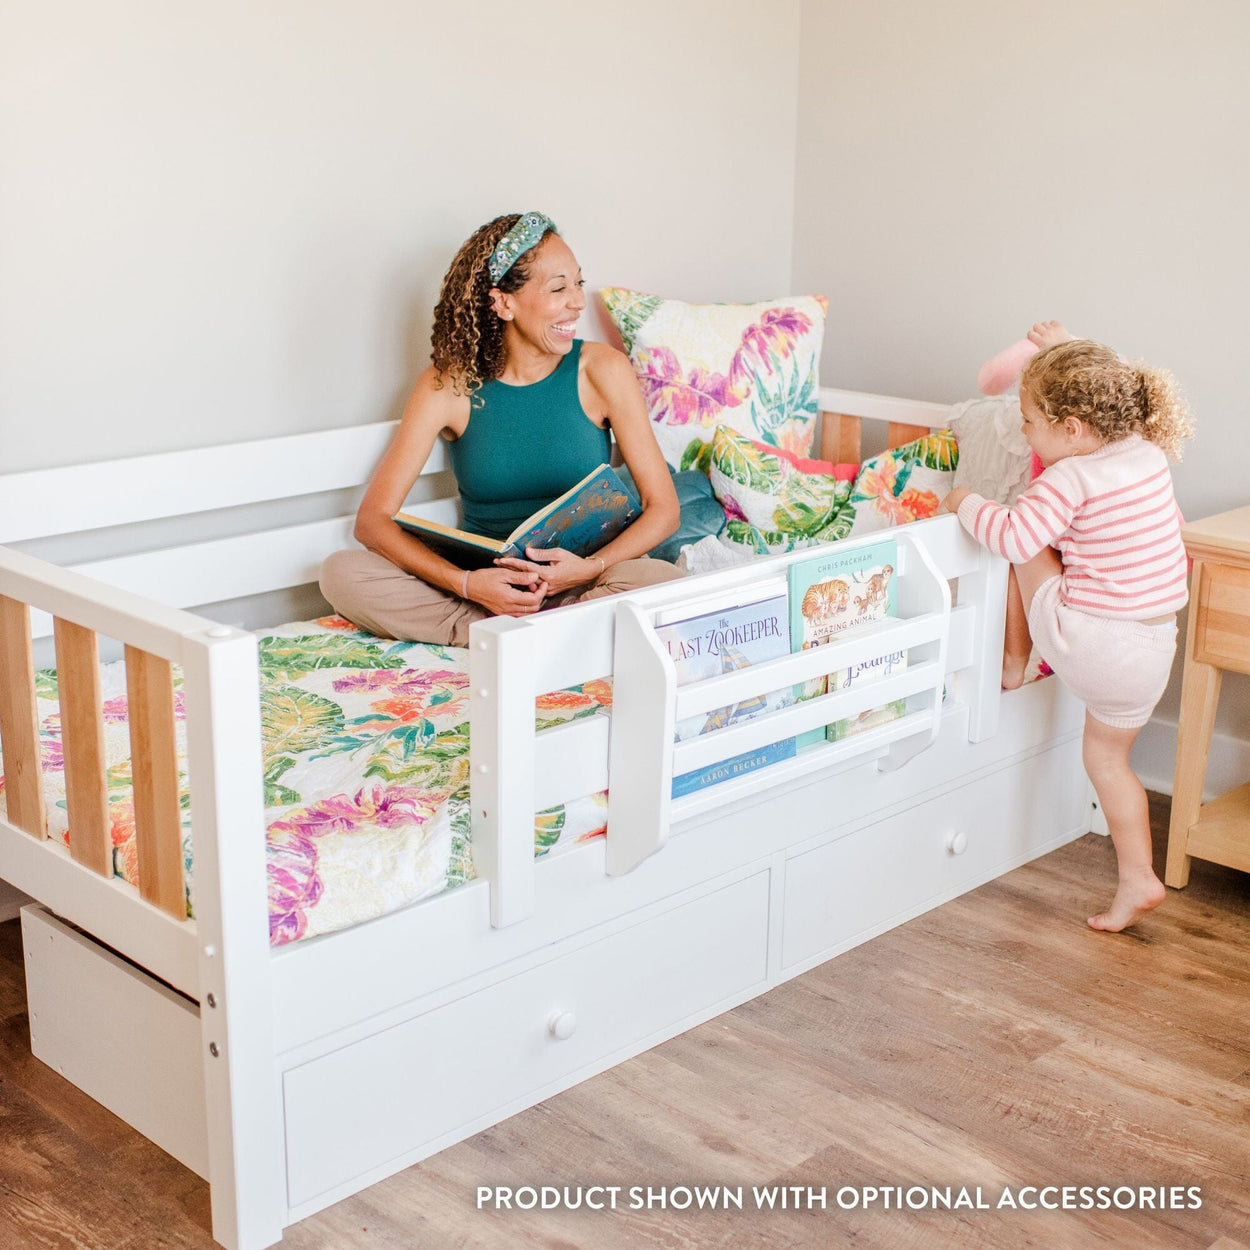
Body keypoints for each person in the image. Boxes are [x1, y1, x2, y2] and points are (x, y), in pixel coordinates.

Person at [321, 212, 682, 647]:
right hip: (483, 592)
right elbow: (373, 522)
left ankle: (522, 633)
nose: (578, 302)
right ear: (504, 303)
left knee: (660, 581)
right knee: (342, 573)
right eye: (558, 288)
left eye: (578, 284)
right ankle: (515, 633)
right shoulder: (448, 384)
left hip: (582, 582)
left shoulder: (601, 369)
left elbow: (664, 508)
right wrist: (468, 585)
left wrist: (592, 568)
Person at [942, 335, 1193, 932]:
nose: (1024, 434)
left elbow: (1012, 539)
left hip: (1093, 642)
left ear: (1074, 428)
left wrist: (964, 501)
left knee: (1019, 536)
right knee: (1110, 762)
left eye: (1029, 423)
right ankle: (1138, 877)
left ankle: (1014, 660)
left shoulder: (1067, 479)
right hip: (1155, 646)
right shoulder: (1146, 453)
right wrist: (1063, 347)